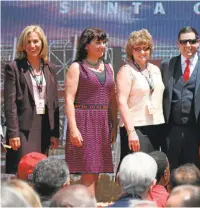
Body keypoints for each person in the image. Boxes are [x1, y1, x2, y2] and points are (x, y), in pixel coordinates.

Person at [65, 27, 117, 196]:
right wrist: (73, 128)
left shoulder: (109, 67)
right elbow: (69, 99)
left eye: (104, 42)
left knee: (96, 170)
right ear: (86, 45)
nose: (102, 46)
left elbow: (112, 100)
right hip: (84, 121)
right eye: (97, 42)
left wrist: (114, 125)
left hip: (102, 122)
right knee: (88, 170)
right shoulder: (76, 67)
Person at [160, 26, 200, 174]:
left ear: (198, 42)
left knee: (194, 175)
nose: (188, 46)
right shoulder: (166, 65)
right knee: (171, 176)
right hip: (171, 132)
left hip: (197, 133)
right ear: (177, 44)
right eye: (184, 42)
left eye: (192, 41)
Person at [4, 25, 59, 174]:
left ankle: (38, 198)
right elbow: (10, 104)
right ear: (23, 44)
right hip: (23, 129)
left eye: (36, 41)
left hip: (44, 127)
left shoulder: (50, 68)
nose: (32, 45)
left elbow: (54, 102)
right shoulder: (14, 67)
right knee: (23, 170)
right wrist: (13, 133)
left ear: (42, 43)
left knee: (40, 171)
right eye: (28, 42)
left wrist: (55, 133)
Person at [116, 29, 165, 161]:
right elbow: (121, 102)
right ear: (131, 50)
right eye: (138, 49)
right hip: (136, 128)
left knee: (153, 170)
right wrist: (131, 132)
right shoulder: (126, 71)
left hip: (156, 125)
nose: (142, 52)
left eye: (146, 48)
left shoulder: (155, 70)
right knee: (137, 171)